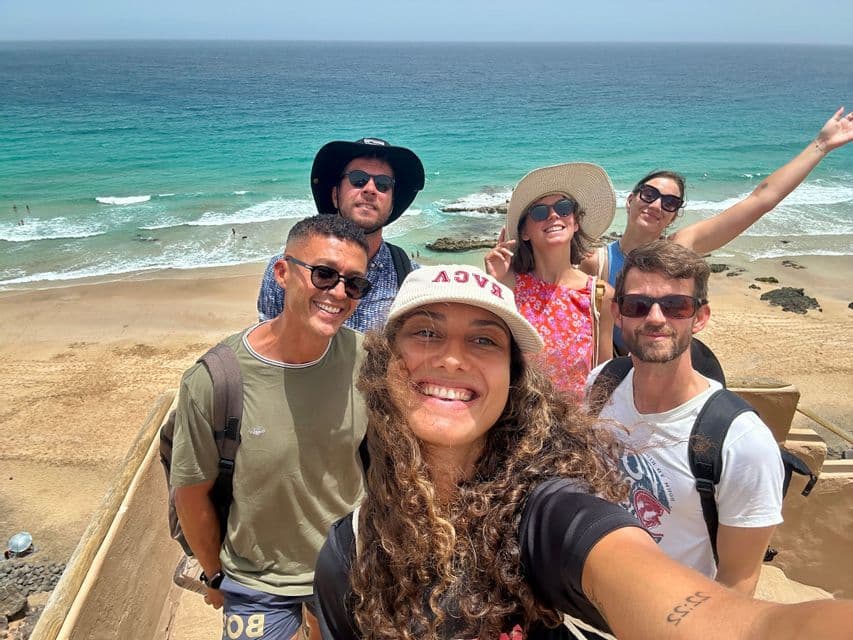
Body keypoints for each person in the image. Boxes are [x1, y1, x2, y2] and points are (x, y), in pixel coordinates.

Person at [313, 264, 853, 640]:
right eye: (426, 332)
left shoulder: (549, 514)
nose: (453, 359)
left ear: (514, 383)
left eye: (484, 340)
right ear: (384, 364)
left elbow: (713, 616)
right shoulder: (348, 550)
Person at [171, 215, 371, 640]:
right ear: (282, 273)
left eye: (354, 284)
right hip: (255, 577)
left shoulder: (365, 360)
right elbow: (191, 495)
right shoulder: (215, 379)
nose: (338, 292)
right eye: (324, 274)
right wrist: (213, 576)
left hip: (345, 562)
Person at [586, 240, 783, 595]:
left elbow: (738, 581)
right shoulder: (600, 384)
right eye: (638, 305)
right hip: (587, 606)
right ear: (618, 313)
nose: (655, 318)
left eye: (676, 306)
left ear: (700, 317)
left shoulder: (741, 443)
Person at [578, 108, 853, 354]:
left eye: (670, 202)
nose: (657, 204)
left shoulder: (678, 249)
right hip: (616, 375)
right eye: (649, 194)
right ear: (631, 199)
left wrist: (821, 144)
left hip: (668, 370)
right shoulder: (595, 262)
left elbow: (760, 200)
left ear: (674, 215)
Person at [257, 137, 425, 331]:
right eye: (358, 179)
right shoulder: (290, 268)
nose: (370, 189)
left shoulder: (410, 277)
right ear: (335, 195)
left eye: (383, 184)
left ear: (392, 205)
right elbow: (269, 342)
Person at [484, 162, 616, 400]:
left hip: (572, 428)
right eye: (539, 212)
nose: (554, 215)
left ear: (575, 222)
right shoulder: (510, 285)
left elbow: (603, 376)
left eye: (564, 208)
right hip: (516, 424)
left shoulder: (599, 294)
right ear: (524, 232)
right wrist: (495, 283)